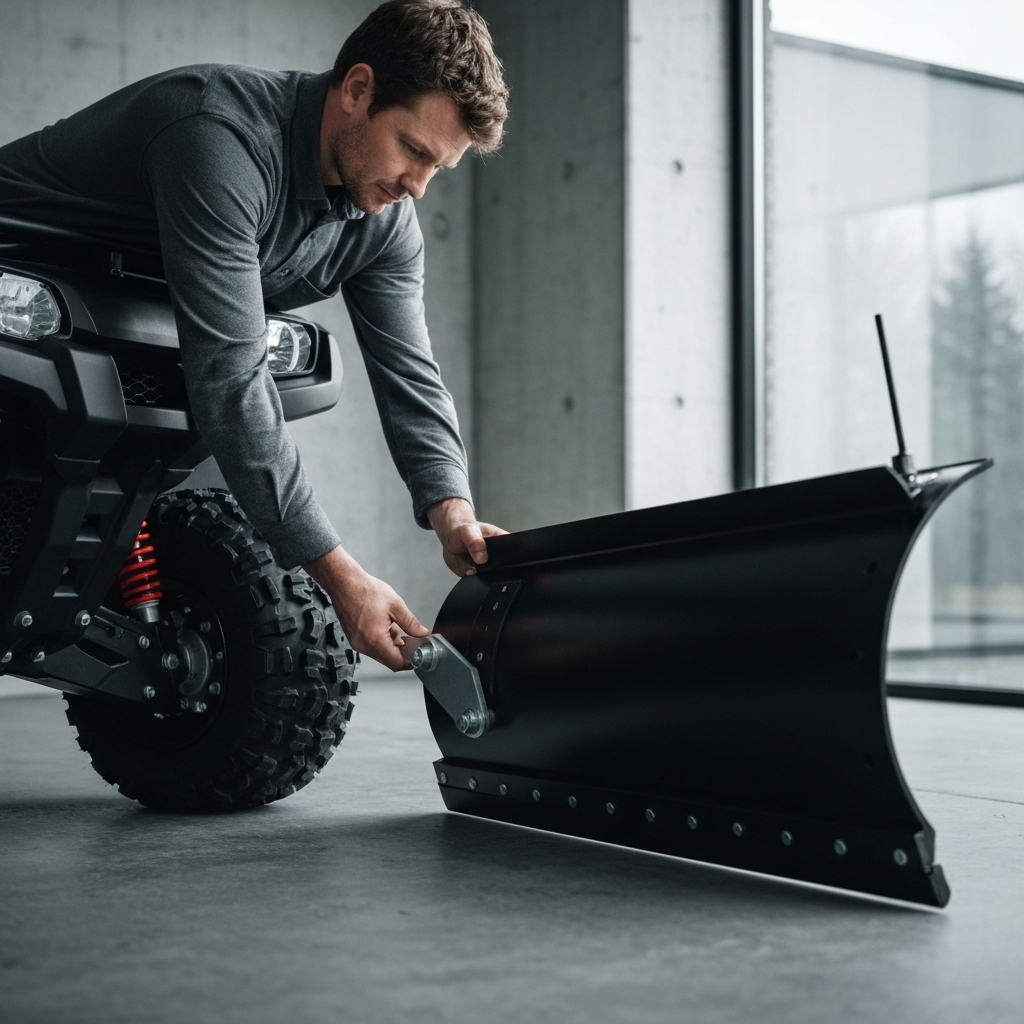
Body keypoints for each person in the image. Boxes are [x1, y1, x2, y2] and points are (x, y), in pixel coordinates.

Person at [0, 0, 510, 670]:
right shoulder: (219, 133)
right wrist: (339, 575)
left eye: (437, 168)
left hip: (131, 340)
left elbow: (411, 373)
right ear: (357, 90)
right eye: (413, 150)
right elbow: (232, 377)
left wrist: (454, 512)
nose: (417, 186)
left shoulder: (382, 219)